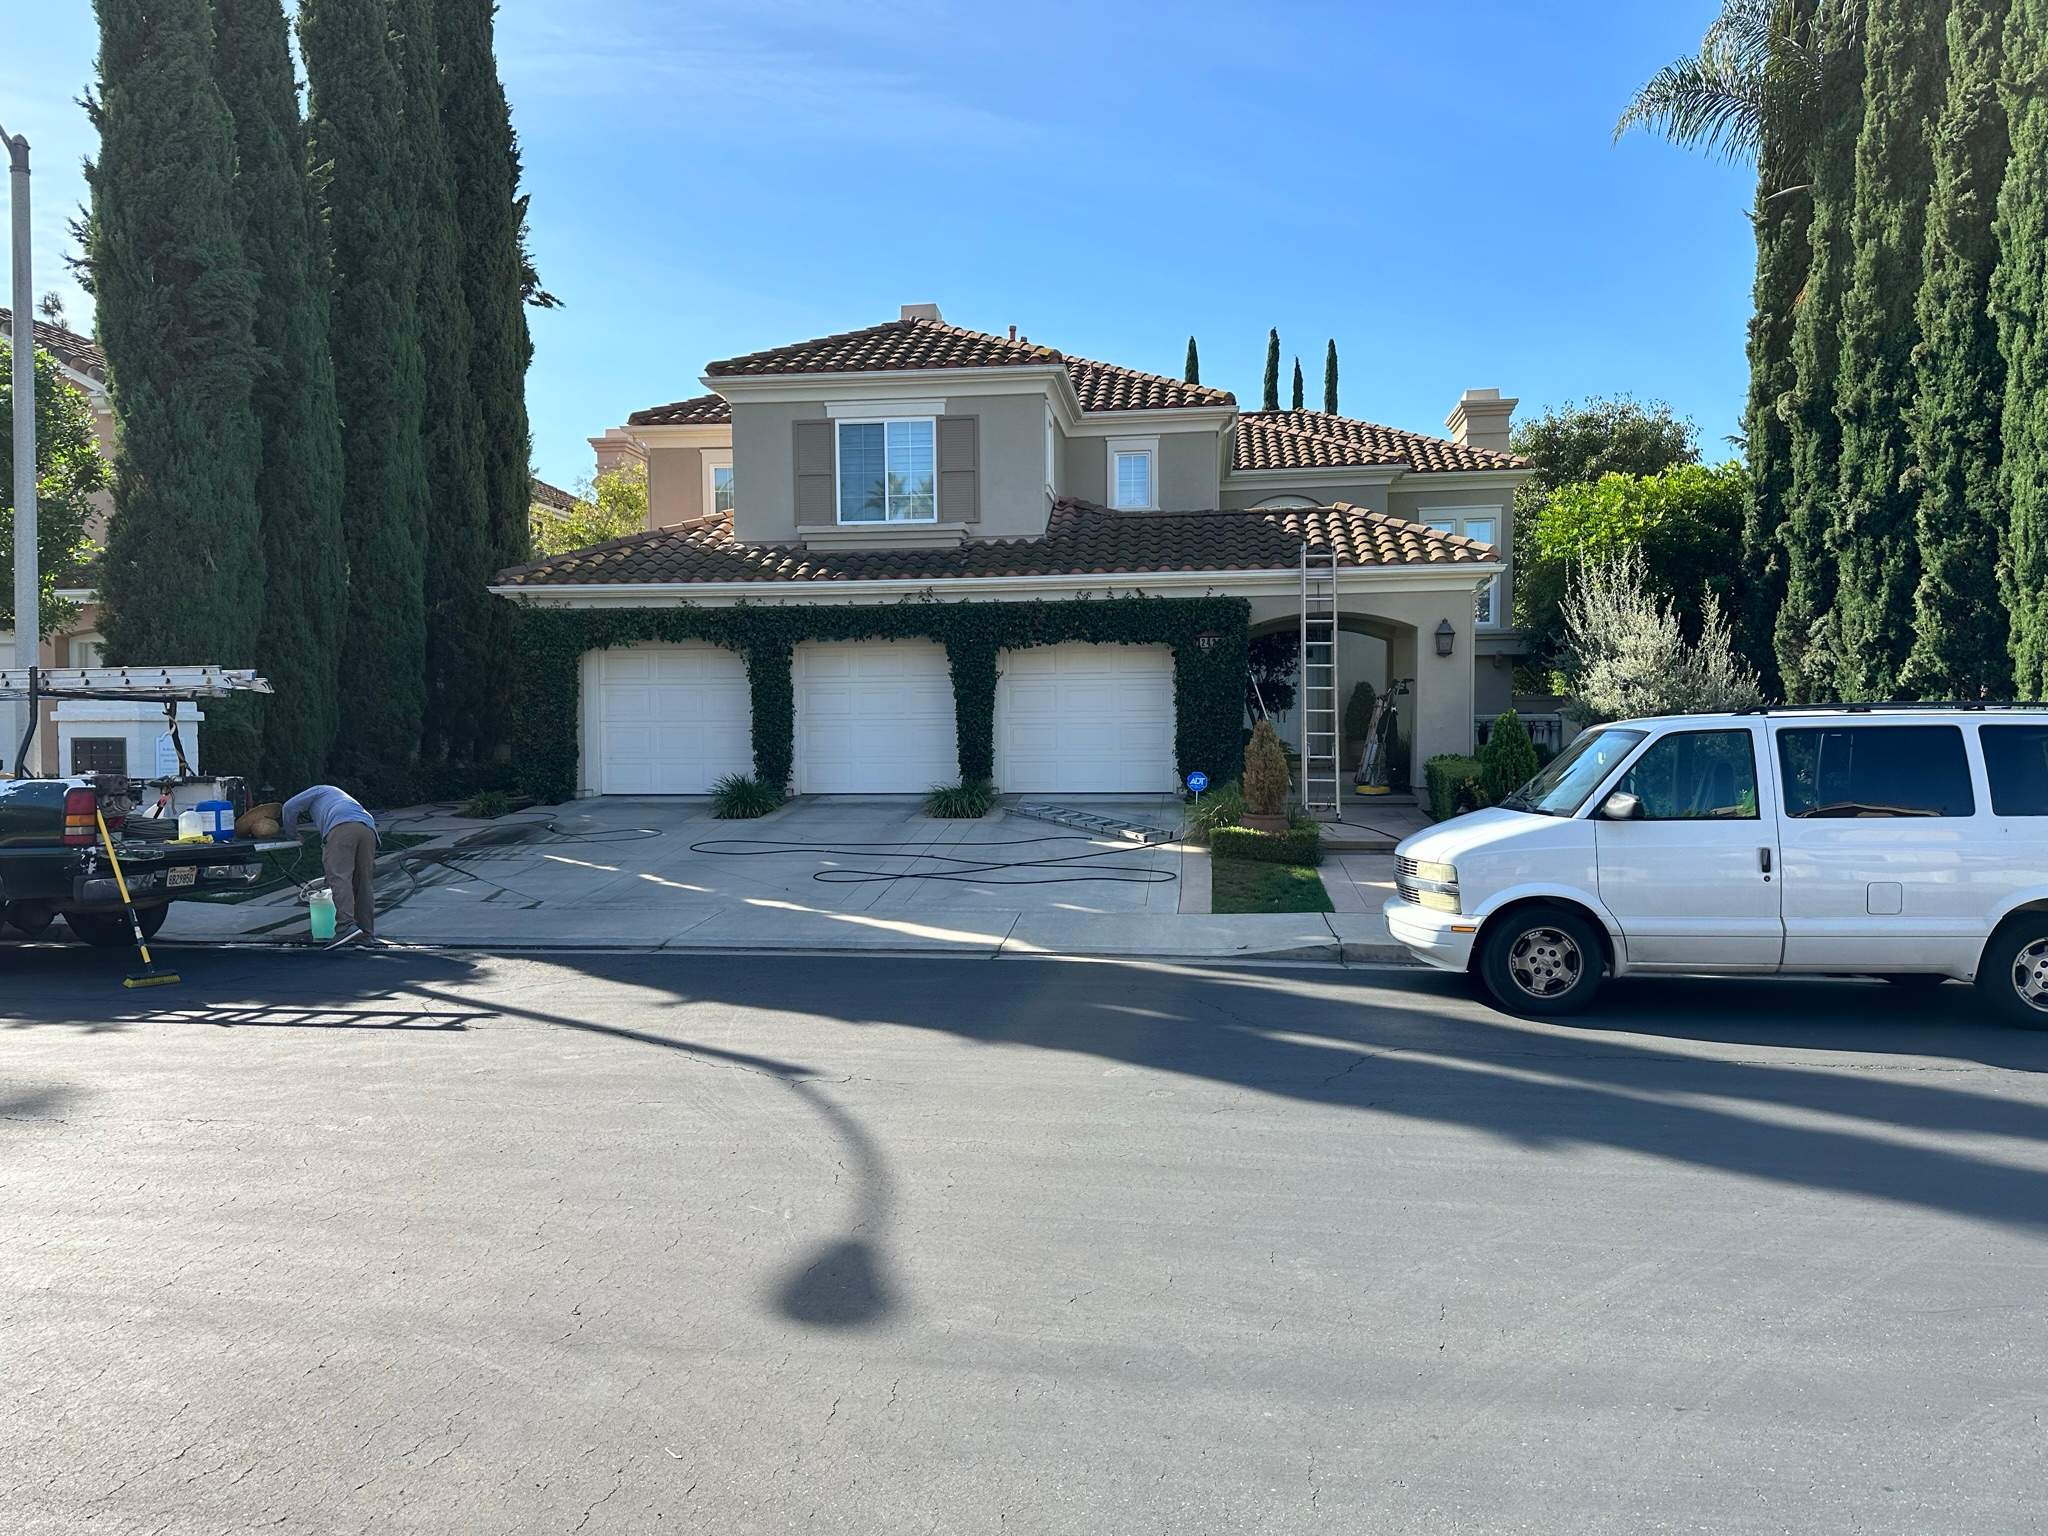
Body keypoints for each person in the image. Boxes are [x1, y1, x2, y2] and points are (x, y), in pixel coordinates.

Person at [280, 785, 380, 949]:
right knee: (363, 883)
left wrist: (292, 835)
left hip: (342, 827)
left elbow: (288, 807)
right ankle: (366, 935)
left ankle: (346, 926)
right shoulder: (336, 796)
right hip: (367, 828)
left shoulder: (319, 790)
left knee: (340, 878)